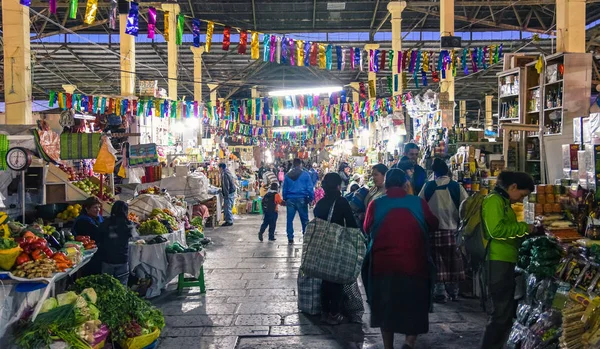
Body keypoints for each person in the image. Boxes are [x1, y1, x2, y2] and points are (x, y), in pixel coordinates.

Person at [363, 169, 439, 349]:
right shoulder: (418, 203)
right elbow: (434, 224)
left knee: (385, 308)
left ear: (386, 184)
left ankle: (388, 346)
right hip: (414, 265)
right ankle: (409, 342)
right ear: (406, 184)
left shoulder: (376, 204)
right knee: (415, 304)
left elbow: (367, 228)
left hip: (383, 266)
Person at [480, 171, 535, 349]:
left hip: (505, 260)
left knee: (504, 312)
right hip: (497, 261)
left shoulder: (503, 202)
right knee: (500, 313)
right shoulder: (493, 201)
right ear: (512, 187)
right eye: (522, 194)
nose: (520, 200)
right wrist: (525, 228)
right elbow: (495, 230)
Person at [419, 158, 468, 303]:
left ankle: (439, 292)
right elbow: (466, 206)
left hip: (434, 231)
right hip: (452, 230)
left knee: (437, 262)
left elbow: (420, 204)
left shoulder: (428, 187)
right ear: (448, 171)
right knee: (453, 261)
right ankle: (453, 292)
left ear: (434, 172)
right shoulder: (456, 187)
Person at [313, 173, 359, 325]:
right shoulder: (341, 201)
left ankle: (325, 312)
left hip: (322, 245)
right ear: (338, 186)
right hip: (337, 245)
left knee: (326, 279)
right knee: (337, 279)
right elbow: (352, 224)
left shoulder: (320, 204)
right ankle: (334, 313)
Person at [97, 201, 138, 286]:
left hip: (107, 259)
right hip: (122, 259)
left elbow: (98, 237)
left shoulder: (105, 222)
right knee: (122, 286)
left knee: (106, 286)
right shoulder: (128, 224)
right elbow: (135, 237)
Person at [282, 158, 315, 244]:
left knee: (289, 219)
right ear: (300, 164)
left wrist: (285, 198)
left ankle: (290, 237)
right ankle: (305, 235)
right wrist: (311, 198)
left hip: (290, 199)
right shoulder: (305, 175)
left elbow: (284, 188)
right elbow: (310, 188)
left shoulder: (287, 175)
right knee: (304, 220)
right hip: (302, 199)